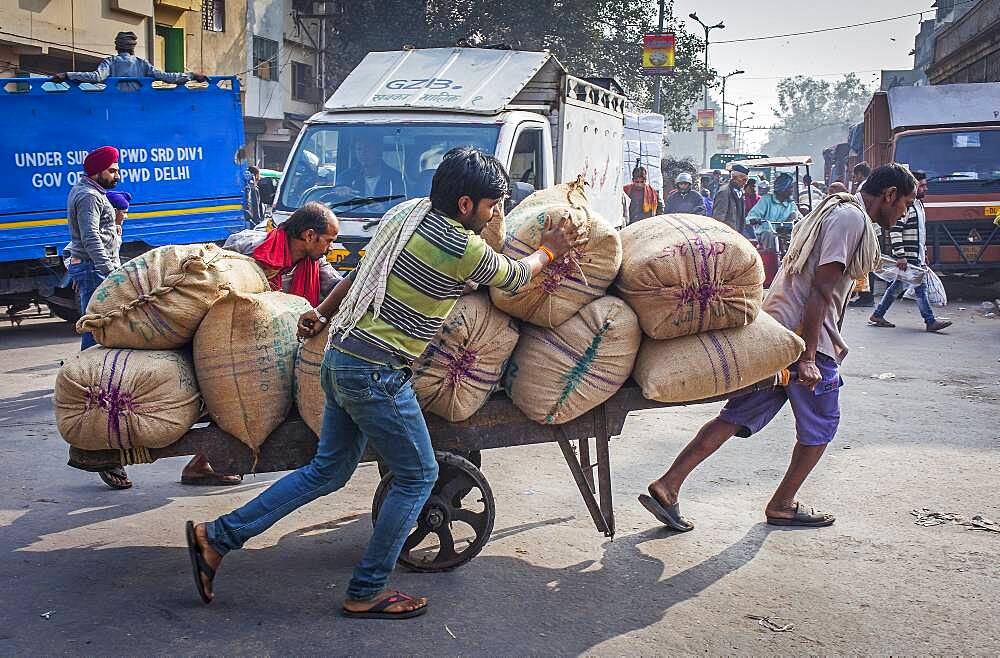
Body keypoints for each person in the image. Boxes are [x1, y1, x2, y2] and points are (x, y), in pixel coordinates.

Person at [185, 147, 586, 618]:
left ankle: (217, 537)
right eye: (492, 204)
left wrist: (321, 312)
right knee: (419, 475)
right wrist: (550, 249)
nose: (497, 212)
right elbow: (514, 277)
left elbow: (362, 273)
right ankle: (367, 589)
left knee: (327, 472)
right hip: (376, 373)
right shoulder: (462, 247)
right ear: (464, 205)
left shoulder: (406, 214)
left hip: (342, 358)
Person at [639, 163, 916, 532]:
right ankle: (783, 504)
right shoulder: (850, 218)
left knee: (734, 418)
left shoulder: (837, 211)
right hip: (803, 340)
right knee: (822, 425)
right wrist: (806, 356)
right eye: (905, 204)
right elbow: (820, 288)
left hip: (780, 335)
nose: (904, 213)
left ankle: (667, 486)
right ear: (890, 194)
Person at [65, 147, 130, 489]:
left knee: (99, 333)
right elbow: (90, 238)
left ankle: (88, 385)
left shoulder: (94, 193)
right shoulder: (89, 197)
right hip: (93, 271)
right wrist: (110, 275)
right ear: (99, 170)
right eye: (113, 170)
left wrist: (118, 224)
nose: (117, 174)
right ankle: (86, 392)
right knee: (95, 335)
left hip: (93, 268)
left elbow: (100, 236)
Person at [869, 171, 952, 332]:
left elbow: (920, 232)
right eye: (922, 186)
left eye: (925, 186)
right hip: (908, 256)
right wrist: (900, 255)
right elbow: (895, 230)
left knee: (897, 286)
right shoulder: (907, 206)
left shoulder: (919, 206)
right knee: (920, 288)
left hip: (915, 255)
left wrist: (924, 252)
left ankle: (878, 314)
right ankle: (930, 321)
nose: (925, 189)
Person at [224, 201, 343, 304]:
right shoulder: (248, 248)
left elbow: (337, 287)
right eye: (329, 241)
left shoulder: (317, 263)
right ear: (309, 235)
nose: (331, 247)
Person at [51, 31, 207, 87]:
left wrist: (67, 75)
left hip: (115, 106)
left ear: (117, 47)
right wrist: (192, 75)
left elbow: (97, 77)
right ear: (132, 48)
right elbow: (167, 77)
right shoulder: (142, 63)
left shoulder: (110, 61)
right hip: (139, 106)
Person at [746, 172, 802, 254]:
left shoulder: (791, 204)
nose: (792, 190)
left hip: (786, 233)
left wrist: (799, 219)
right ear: (783, 188)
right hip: (766, 233)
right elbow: (752, 215)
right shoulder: (766, 200)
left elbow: (800, 217)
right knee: (769, 235)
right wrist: (753, 219)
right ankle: (772, 259)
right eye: (790, 188)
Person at [334, 139, 405, 202]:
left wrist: (384, 208)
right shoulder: (346, 175)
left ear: (378, 151)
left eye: (368, 149)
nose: (363, 153)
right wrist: (340, 189)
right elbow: (340, 187)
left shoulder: (395, 177)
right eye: (359, 149)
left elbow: (400, 204)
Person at [712, 164, 749, 233]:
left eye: (746, 180)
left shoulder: (740, 192)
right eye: (743, 179)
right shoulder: (724, 192)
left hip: (737, 234)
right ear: (734, 177)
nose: (745, 183)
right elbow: (718, 217)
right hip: (726, 234)